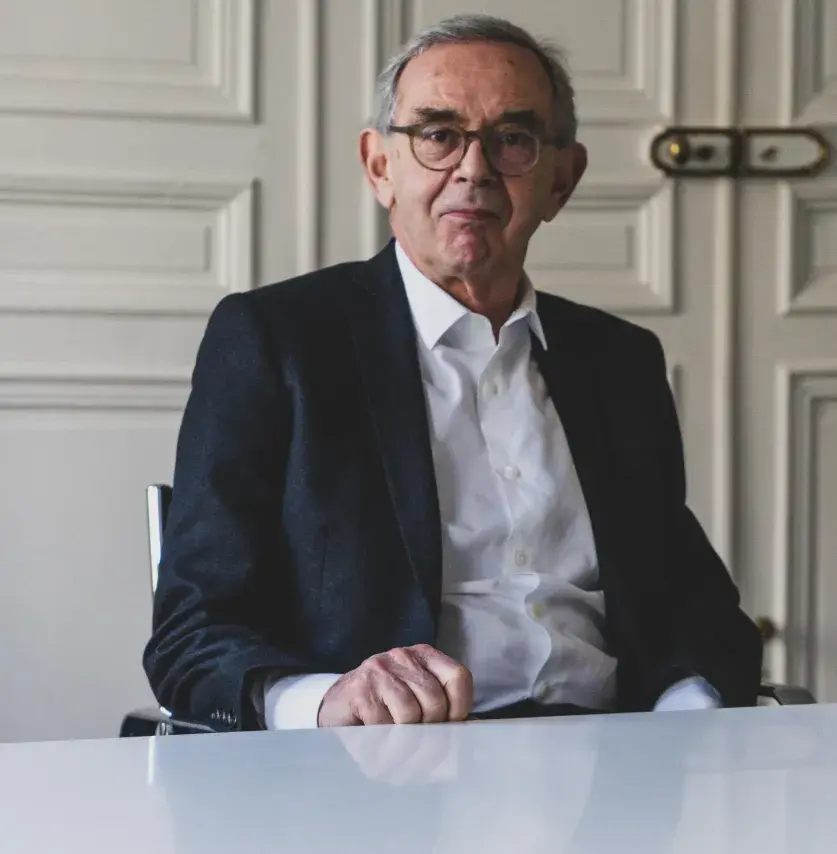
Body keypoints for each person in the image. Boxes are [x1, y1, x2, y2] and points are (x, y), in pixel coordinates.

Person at [144, 14, 761, 731]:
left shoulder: (619, 361)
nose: (474, 170)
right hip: (383, 767)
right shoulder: (276, 341)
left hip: (614, 757)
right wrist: (327, 701)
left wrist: (683, 723)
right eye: (438, 134)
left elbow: (696, 609)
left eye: (513, 139)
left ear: (562, 178)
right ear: (380, 166)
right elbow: (193, 635)